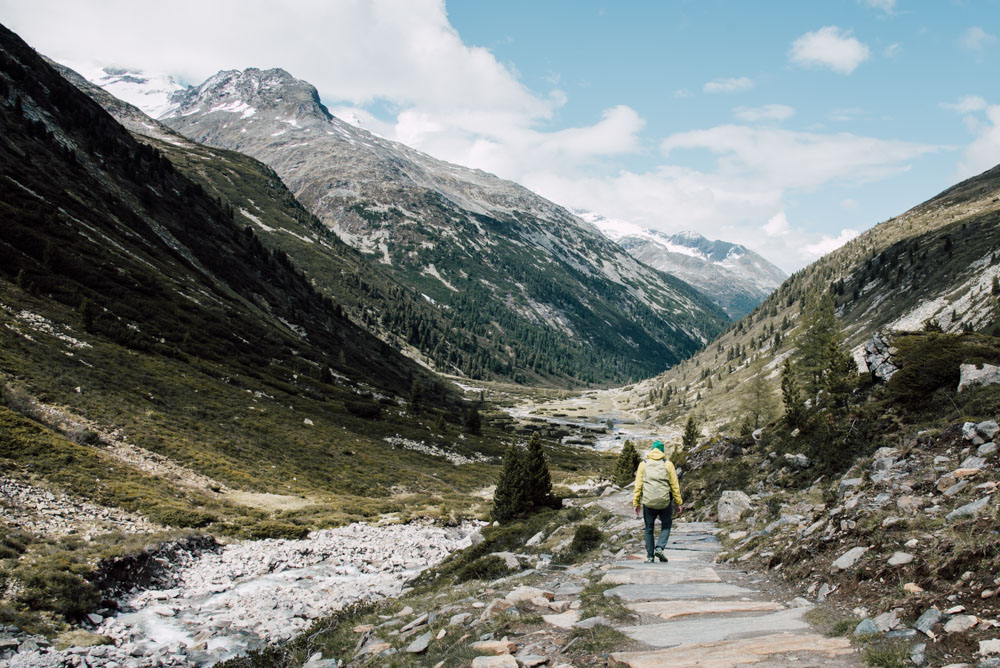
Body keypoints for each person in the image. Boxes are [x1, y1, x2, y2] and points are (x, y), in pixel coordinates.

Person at [633, 440, 683, 563]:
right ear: (662, 451)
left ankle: (650, 557)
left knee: (649, 529)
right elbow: (674, 486)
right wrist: (679, 503)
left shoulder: (643, 464)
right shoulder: (668, 464)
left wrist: (636, 503)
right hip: (664, 502)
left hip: (648, 502)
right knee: (666, 525)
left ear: (652, 450)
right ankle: (660, 548)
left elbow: (638, 485)